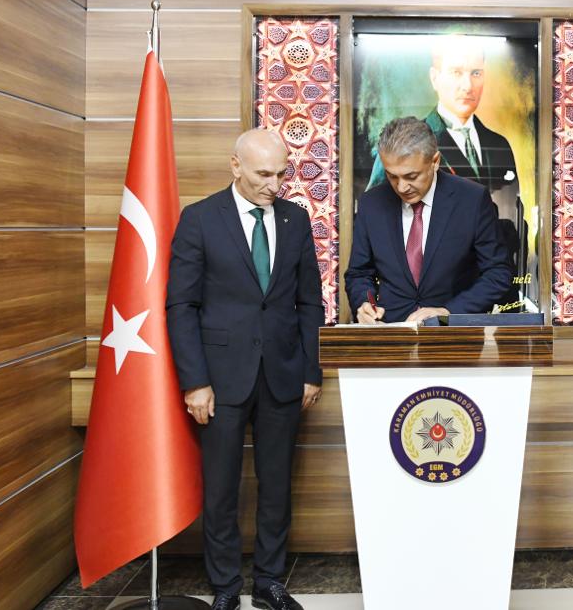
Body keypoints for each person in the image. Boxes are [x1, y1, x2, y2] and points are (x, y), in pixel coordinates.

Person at [166, 128, 323, 610]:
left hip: (282, 374)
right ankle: (226, 587)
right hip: (220, 378)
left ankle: (270, 582)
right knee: (221, 488)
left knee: (276, 485)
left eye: (281, 174)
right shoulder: (199, 219)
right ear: (235, 166)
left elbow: (309, 302)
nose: (274, 185)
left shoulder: (296, 219)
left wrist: (311, 371)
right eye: (263, 174)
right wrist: (195, 381)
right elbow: (181, 305)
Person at [345, 116, 512, 324]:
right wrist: (364, 303)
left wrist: (448, 312)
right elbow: (358, 274)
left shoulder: (472, 200)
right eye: (392, 176)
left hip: (454, 333)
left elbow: (498, 273)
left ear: (435, 162)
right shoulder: (371, 204)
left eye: (411, 176)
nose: (401, 187)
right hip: (390, 332)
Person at [423, 34, 518, 195]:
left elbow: (511, 204)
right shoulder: (415, 142)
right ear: (435, 78)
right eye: (456, 72)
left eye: (476, 73)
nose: (468, 86)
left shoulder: (499, 144)